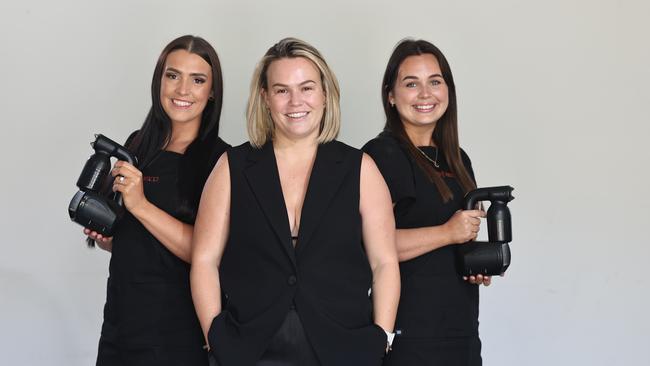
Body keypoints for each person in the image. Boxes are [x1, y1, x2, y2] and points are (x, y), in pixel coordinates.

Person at [191, 38, 400, 366]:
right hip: (248, 351)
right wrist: (214, 337)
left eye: (306, 88)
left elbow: (385, 262)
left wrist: (382, 338)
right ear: (265, 97)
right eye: (281, 90)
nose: (295, 102)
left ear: (325, 93)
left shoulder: (360, 168)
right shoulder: (232, 166)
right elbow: (204, 259)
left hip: (345, 350)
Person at [84, 35, 229, 366]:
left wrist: (141, 206)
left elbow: (211, 254)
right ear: (159, 80)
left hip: (177, 335)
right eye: (172, 75)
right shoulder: (138, 144)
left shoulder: (222, 162)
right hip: (120, 326)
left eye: (198, 80)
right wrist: (111, 237)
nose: (182, 90)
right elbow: (141, 242)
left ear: (212, 92)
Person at [362, 39, 490, 366]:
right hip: (408, 334)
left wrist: (475, 263)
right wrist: (448, 233)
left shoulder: (457, 159)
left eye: (435, 81)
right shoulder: (382, 155)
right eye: (411, 84)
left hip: (460, 328)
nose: (425, 93)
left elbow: (457, 239)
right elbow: (368, 246)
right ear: (390, 95)